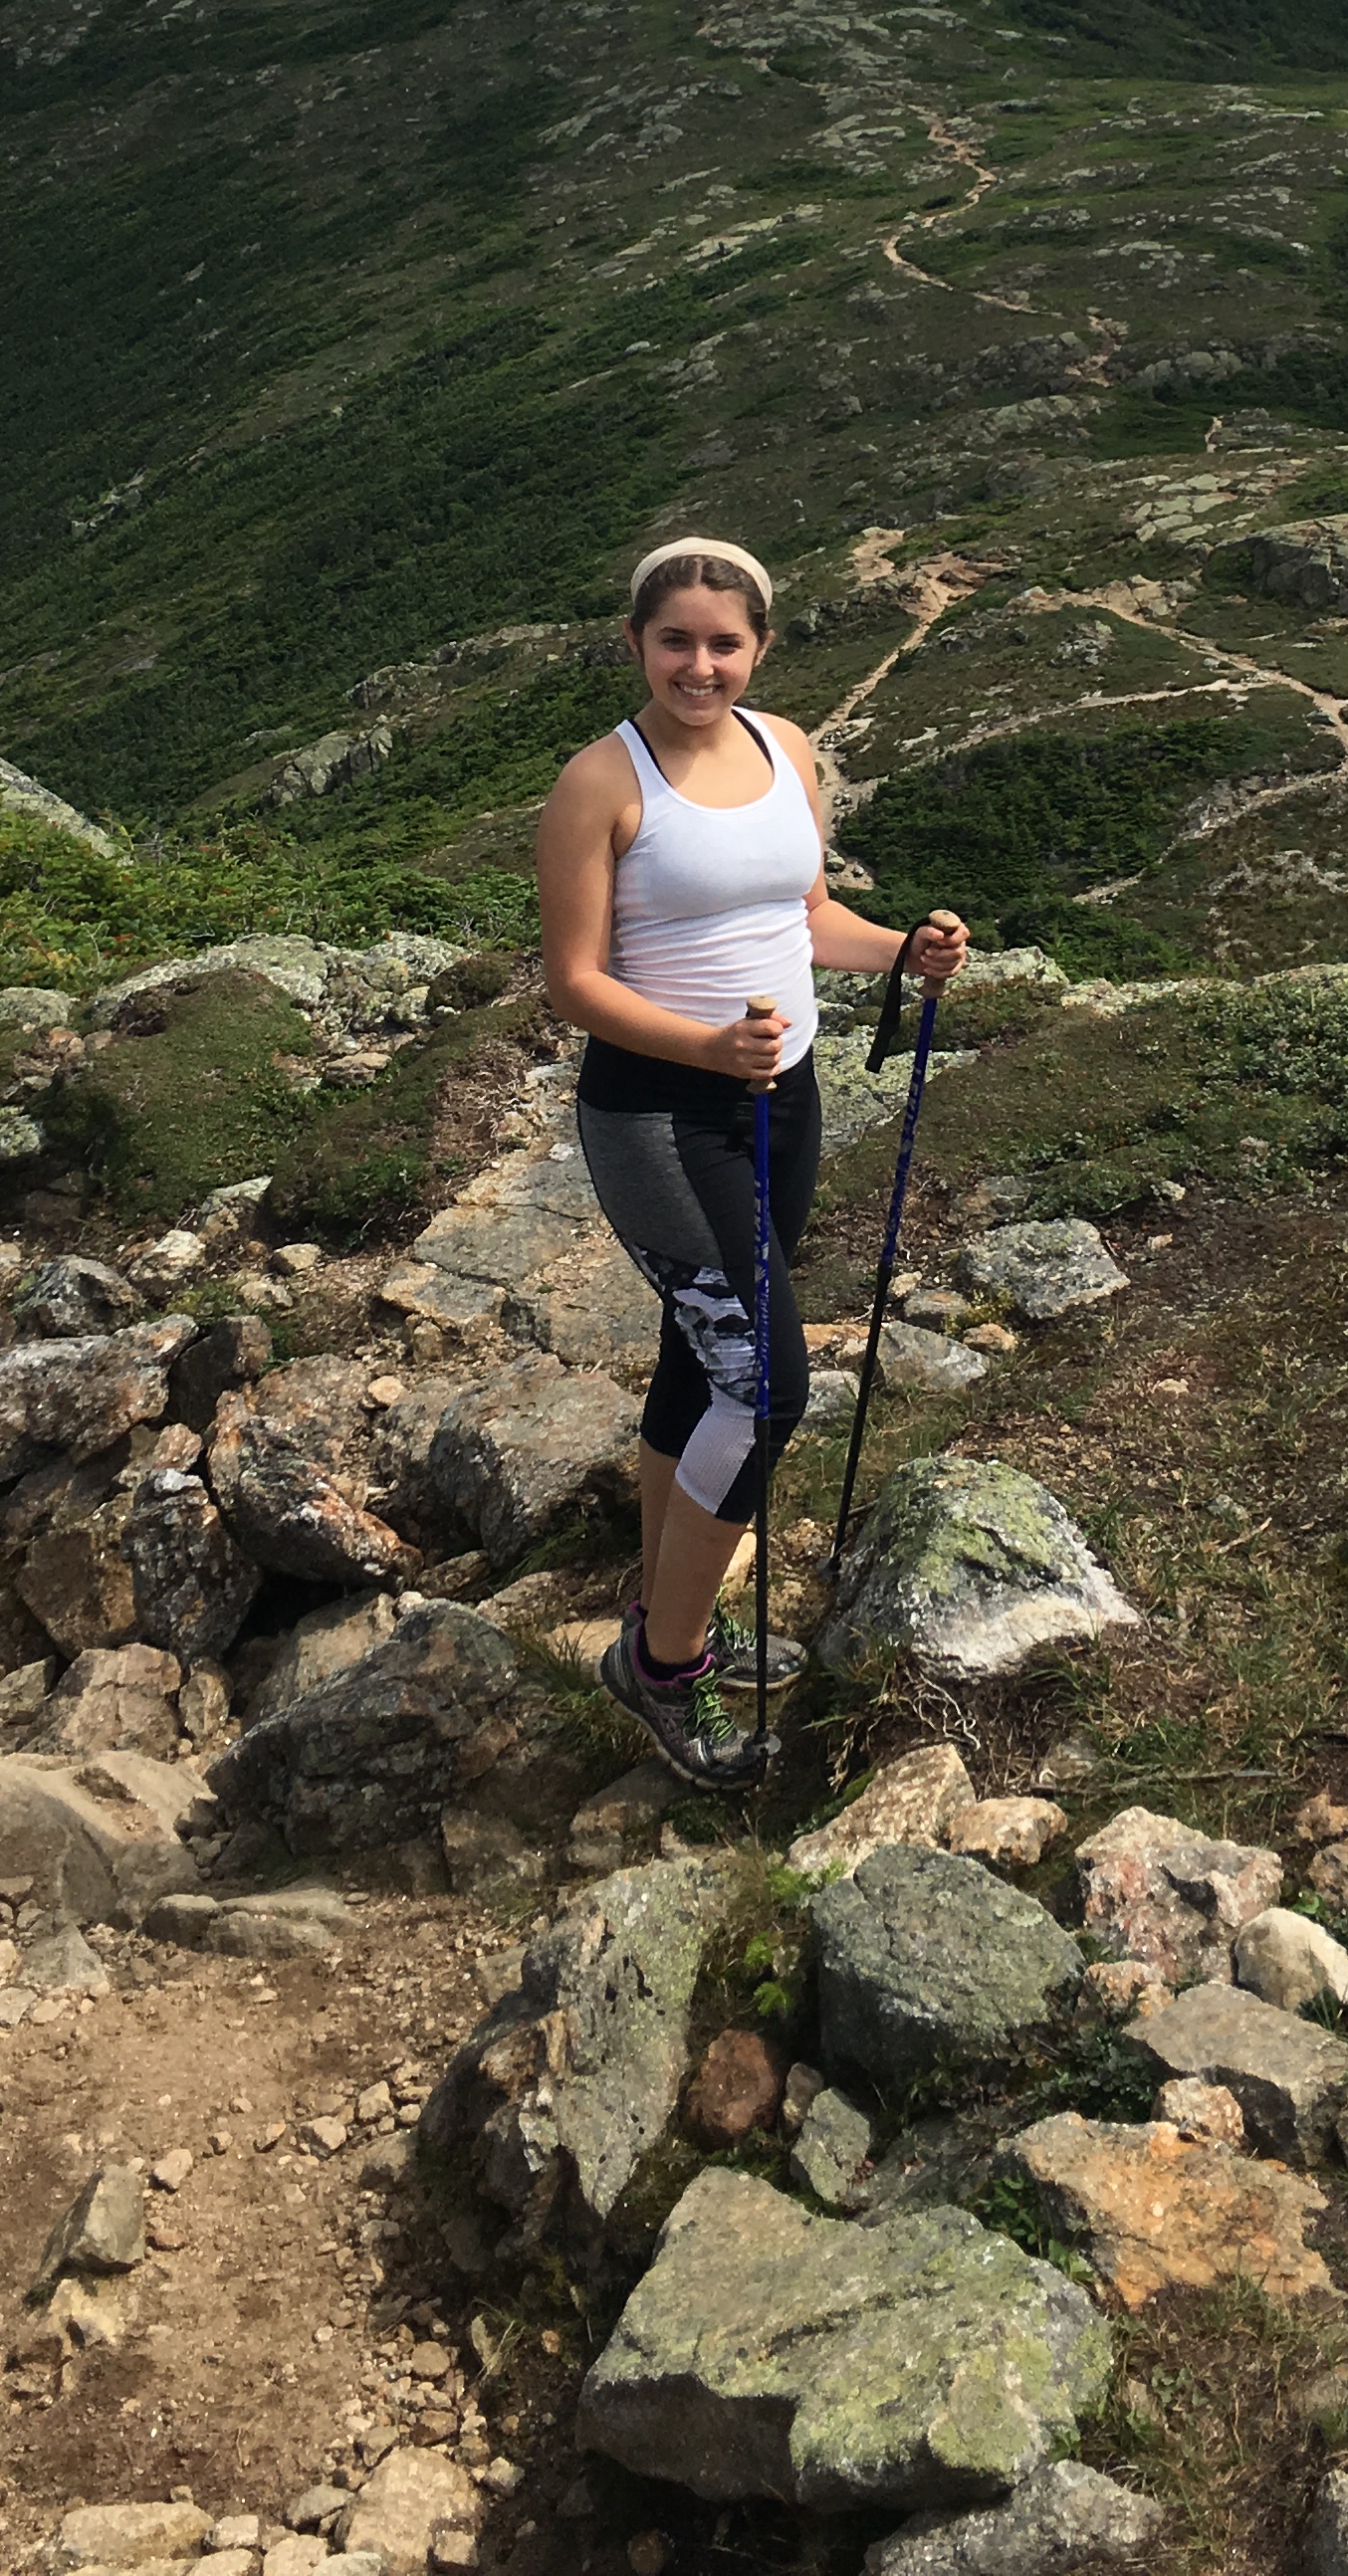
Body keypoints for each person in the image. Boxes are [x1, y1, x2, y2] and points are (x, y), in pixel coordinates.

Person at [537, 535, 967, 1788]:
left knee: (706, 1354)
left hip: (781, 1102)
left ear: (760, 648)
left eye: (725, 642)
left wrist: (898, 953)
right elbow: (571, 985)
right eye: (676, 640)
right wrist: (709, 1046)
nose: (701, 664)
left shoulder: (788, 750)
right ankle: (662, 1669)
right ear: (637, 644)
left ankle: (666, 1621)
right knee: (768, 1387)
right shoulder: (598, 786)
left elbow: (803, 913)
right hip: (662, 1120)